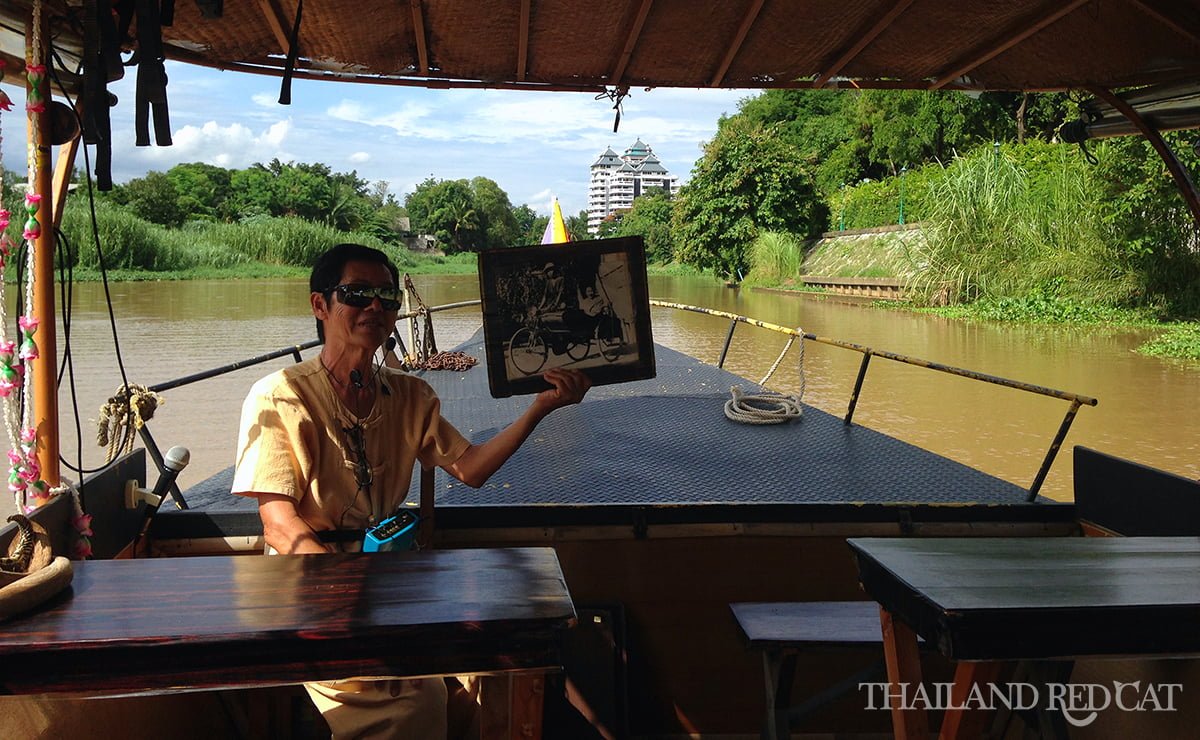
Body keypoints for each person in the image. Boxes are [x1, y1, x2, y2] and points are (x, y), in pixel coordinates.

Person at [231, 243, 590, 739]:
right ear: (320, 305)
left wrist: (539, 409)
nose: (375, 307)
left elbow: (472, 470)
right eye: (357, 294)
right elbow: (279, 524)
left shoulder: (408, 394)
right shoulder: (281, 395)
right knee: (414, 703)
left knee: (491, 675)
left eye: (386, 296)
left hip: (395, 580)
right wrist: (351, 599)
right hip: (311, 586)